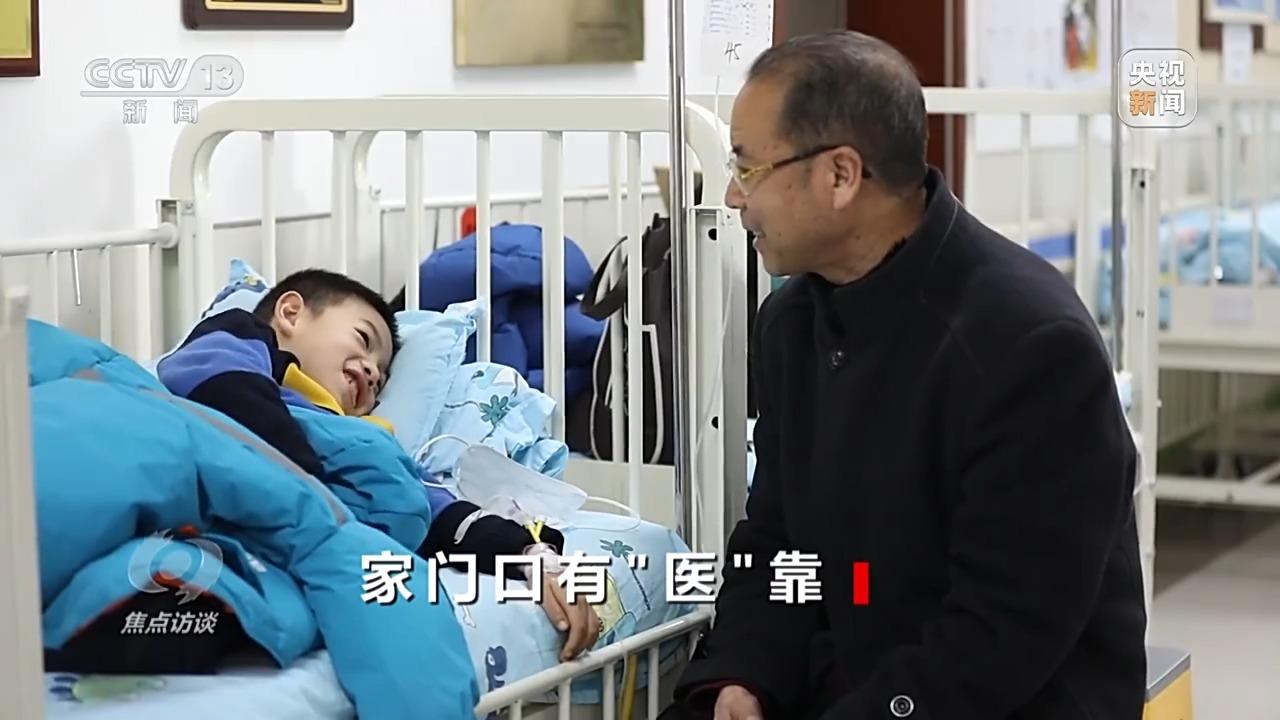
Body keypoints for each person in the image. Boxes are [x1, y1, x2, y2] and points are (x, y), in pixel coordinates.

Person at [663, 31, 1148, 720]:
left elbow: (1002, 632)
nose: (734, 198)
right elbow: (777, 544)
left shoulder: (1029, 347)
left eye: (747, 168)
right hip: (855, 677)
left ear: (840, 175)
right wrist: (743, 675)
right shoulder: (792, 324)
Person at [47, 269, 600, 675]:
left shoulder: (347, 434)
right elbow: (224, 395)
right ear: (290, 314)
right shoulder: (236, 343)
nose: (371, 372)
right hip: (153, 459)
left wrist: (530, 554)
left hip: (213, 539)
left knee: (221, 598)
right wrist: (319, 510)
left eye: (381, 377)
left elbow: (426, 507)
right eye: (363, 341)